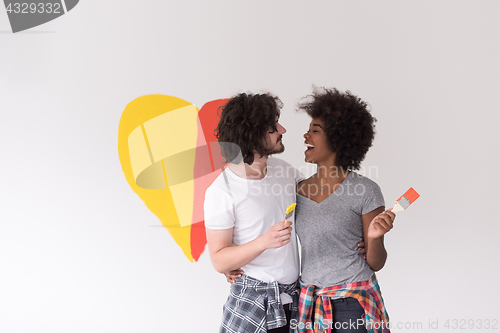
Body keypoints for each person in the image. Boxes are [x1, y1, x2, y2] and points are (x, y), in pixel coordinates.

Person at [294, 87, 395, 333]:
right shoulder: (295, 190)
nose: (306, 135)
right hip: (310, 304)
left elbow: (376, 262)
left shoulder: (366, 190)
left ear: (337, 139)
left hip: (352, 305)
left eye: (314, 131)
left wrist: (375, 237)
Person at [204, 92, 303, 333]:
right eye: (272, 128)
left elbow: (320, 202)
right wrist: (263, 242)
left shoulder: (285, 171)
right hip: (253, 305)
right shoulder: (222, 191)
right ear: (252, 135)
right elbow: (219, 259)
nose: (282, 129)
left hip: (294, 303)